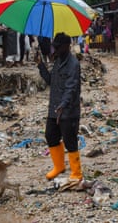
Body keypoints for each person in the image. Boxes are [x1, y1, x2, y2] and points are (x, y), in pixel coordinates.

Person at [35, 32, 83, 182]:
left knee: (70, 140)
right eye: (54, 47)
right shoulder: (57, 61)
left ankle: (76, 173)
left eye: (58, 47)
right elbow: (50, 81)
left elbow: (71, 88)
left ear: (66, 47)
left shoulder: (73, 64)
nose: (54, 50)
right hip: (54, 108)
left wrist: (63, 104)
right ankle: (59, 166)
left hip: (68, 111)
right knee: (50, 135)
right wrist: (40, 65)